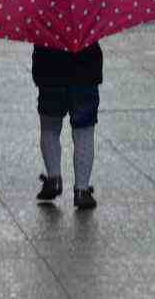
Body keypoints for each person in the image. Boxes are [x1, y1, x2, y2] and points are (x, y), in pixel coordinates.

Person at [32, 42, 102, 210]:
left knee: (50, 125)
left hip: (50, 67)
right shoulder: (89, 15)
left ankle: (53, 179)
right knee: (83, 130)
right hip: (85, 68)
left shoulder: (44, 14)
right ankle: (82, 190)